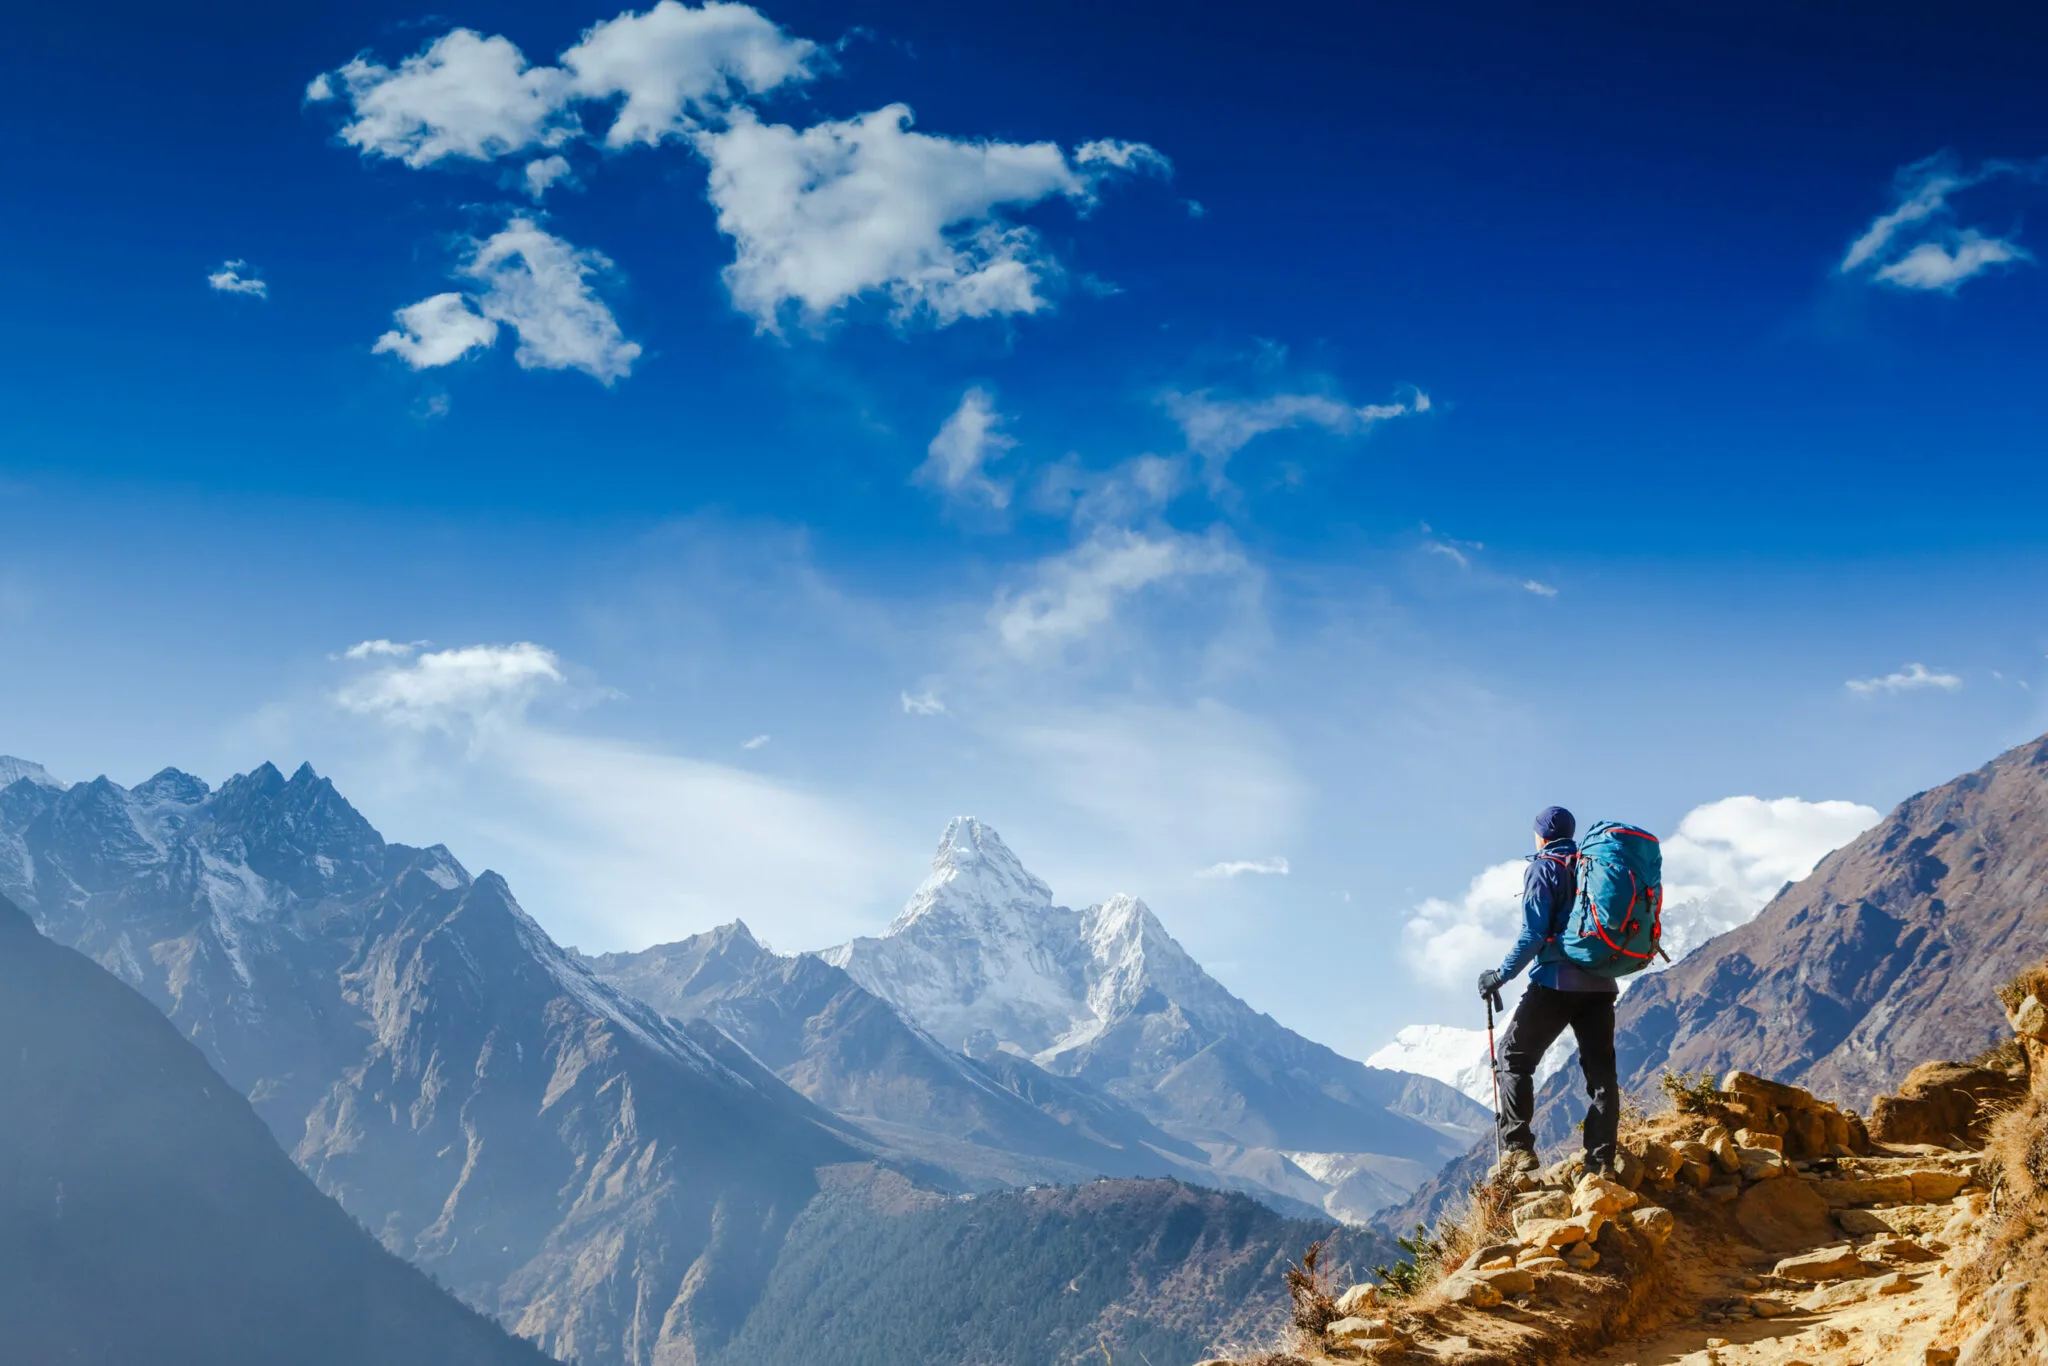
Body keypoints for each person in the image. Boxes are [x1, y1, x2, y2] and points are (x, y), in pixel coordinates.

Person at [1476, 805, 1619, 1179]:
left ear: (1540, 836)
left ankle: (1519, 1151)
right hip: (1601, 984)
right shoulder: (1594, 866)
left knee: (1513, 1058)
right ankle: (1601, 1162)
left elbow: (1533, 934)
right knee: (1602, 1076)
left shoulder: (1544, 867)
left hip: (1556, 983)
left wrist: (1499, 975)